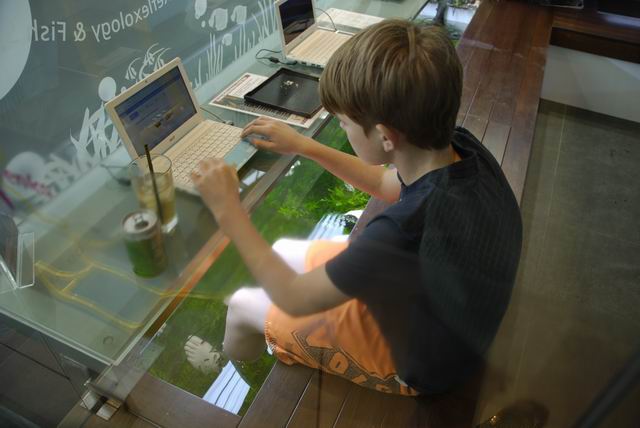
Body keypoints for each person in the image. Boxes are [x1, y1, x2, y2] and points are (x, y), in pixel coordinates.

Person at [191, 19, 522, 395]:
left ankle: (249, 384)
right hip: (442, 305)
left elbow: (294, 297)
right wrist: (305, 146)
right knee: (282, 251)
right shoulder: (458, 146)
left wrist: (227, 211)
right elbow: (385, 182)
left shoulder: (398, 233)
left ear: (385, 136)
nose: (343, 129)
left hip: (423, 364)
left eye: (344, 123)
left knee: (239, 305)